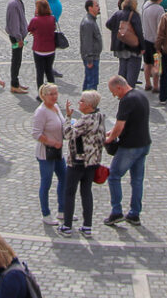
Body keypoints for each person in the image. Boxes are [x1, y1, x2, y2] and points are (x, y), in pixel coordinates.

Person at [103, 75, 151, 226]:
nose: (114, 95)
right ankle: (134, 213)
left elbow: (120, 126)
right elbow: (132, 121)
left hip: (130, 146)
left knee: (114, 176)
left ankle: (116, 211)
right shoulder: (140, 95)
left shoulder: (126, 100)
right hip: (143, 143)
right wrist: (112, 132)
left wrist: (109, 139)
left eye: (113, 92)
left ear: (119, 87)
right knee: (137, 180)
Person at [59, 89, 106, 237]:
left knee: (69, 192)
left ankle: (67, 226)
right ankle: (87, 226)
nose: (79, 103)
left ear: (88, 105)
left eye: (81, 101)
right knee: (86, 193)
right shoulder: (100, 117)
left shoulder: (85, 120)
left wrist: (68, 117)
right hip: (93, 162)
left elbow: (67, 134)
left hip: (78, 161)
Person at [31, 83, 66, 226]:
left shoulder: (56, 107)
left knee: (64, 178)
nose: (54, 96)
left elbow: (62, 125)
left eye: (56, 93)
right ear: (43, 96)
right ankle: (45, 213)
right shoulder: (41, 112)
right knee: (46, 183)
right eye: (51, 94)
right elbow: (36, 133)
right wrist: (52, 142)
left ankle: (62, 210)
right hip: (46, 153)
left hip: (58, 151)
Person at [106, 0, 143, 86]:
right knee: (132, 70)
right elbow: (139, 32)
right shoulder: (134, 15)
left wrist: (117, 31)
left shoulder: (117, 14)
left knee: (122, 68)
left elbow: (108, 24)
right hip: (132, 46)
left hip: (119, 45)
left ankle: (120, 89)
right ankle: (128, 90)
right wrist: (142, 47)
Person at [5, 0, 29, 94]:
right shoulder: (14, 4)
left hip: (18, 36)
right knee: (16, 60)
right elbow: (15, 23)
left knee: (17, 59)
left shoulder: (16, 2)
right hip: (16, 37)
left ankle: (16, 82)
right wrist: (19, 38)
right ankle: (14, 84)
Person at [78, 0, 102, 92]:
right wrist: (89, 59)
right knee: (92, 81)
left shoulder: (91, 21)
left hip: (93, 56)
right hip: (92, 57)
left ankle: (87, 101)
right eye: (96, 6)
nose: (99, 7)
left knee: (89, 79)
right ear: (90, 8)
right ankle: (90, 103)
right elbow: (87, 42)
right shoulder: (88, 23)